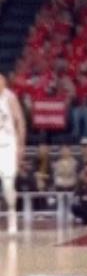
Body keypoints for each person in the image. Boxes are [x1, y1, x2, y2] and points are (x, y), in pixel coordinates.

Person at [0, 73, 26, 234]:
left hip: (8, 144)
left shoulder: (10, 98)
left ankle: (12, 213)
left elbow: (20, 121)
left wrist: (21, 145)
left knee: (8, 184)